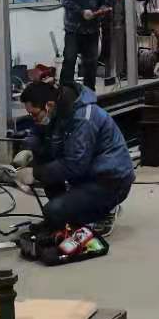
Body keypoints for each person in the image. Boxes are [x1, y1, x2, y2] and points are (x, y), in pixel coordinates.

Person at [16, 80, 134, 238]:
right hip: (86, 175)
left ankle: (104, 211)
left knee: (53, 211)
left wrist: (35, 173)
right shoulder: (55, 110)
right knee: (43, 160)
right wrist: (27, 149)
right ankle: (64, 215)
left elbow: (74, 165)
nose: (33, 119)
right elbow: (38, 133)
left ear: (49, 105)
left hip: (109, 181)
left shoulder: (83, 119)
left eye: (35, 114)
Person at [60, 0, 111, 92]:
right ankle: (65, 91)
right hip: (74, 30)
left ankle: (89, 92)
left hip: (92, 31)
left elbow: (105, 2)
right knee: (70, 59)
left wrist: (103, 9)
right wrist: (82, 12)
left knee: (91, 63)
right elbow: (65, 0)